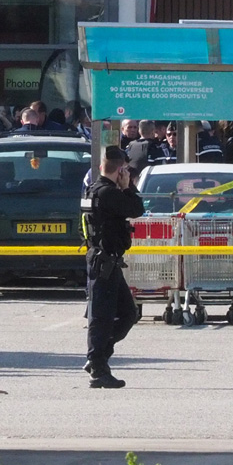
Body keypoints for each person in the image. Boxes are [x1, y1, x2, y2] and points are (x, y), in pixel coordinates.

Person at [81, 147, 144, 388]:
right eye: (125, 171)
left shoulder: (93, 191)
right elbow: (137, 209)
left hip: (107, 261)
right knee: (102, 318)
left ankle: (99, 357)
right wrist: (128, 186)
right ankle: (98, 368)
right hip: (103, 261)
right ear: (120, 170)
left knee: (128, 313)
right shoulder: (108, 193)